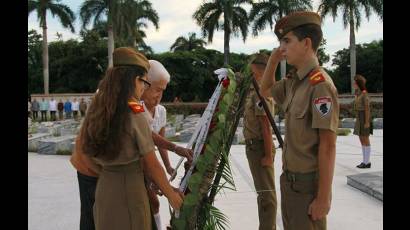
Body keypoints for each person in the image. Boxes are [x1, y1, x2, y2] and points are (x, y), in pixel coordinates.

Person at [73, 47, 188, 230]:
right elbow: (150, 160)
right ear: (135, 80)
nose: (144, 88)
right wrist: (172, 196)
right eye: (144, 83)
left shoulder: (100, 102)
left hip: (104, 185)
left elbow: (139, 136)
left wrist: (172, 149)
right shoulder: (134, 109)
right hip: (126, 190)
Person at [260, 11, 339, 230]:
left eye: (287, 41)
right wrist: (273, 60)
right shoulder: (294, 82)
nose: (282, 47)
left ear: (306, 43)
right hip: (290, 183)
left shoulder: (319, 84)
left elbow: (328, 145)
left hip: (307, 187)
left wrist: (323, 199)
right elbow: (265, 90)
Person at [243, 53, 277, 230]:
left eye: (252, 68)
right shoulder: (254, 89)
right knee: (263, 195)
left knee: (267, 197)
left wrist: (268, 155)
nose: (250, 71)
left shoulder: (261, 92)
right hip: (254, 147)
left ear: (258, 70)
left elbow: (266, 124)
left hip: (260, 148)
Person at [353, 74, 373, 169]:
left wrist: (367, 122)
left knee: (365, 139)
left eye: (355, 82)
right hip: (359, 117)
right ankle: (364, 161)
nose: (354, 83)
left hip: (364, 117)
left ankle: (367, 162)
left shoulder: (364, 94)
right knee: (361, 139)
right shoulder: (358, 93)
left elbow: (367, 109)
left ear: (358, 83)